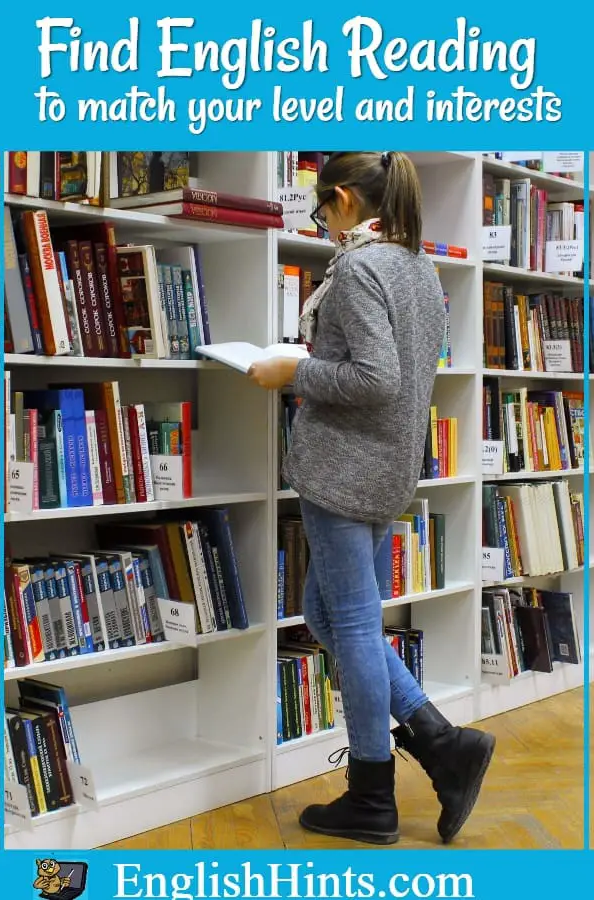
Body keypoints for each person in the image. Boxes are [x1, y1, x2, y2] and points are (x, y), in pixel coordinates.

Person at [248, 151, 495, 846]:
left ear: (347, 200)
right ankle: (439, 739)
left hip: (344, 469)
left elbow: (376, 378)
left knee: (350, 625)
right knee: (323, 612)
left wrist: (293, 369)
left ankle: (371, 795)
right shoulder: (416, 264)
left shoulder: (358, 268)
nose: (321, 223)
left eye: (321, 210)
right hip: (388, 467)